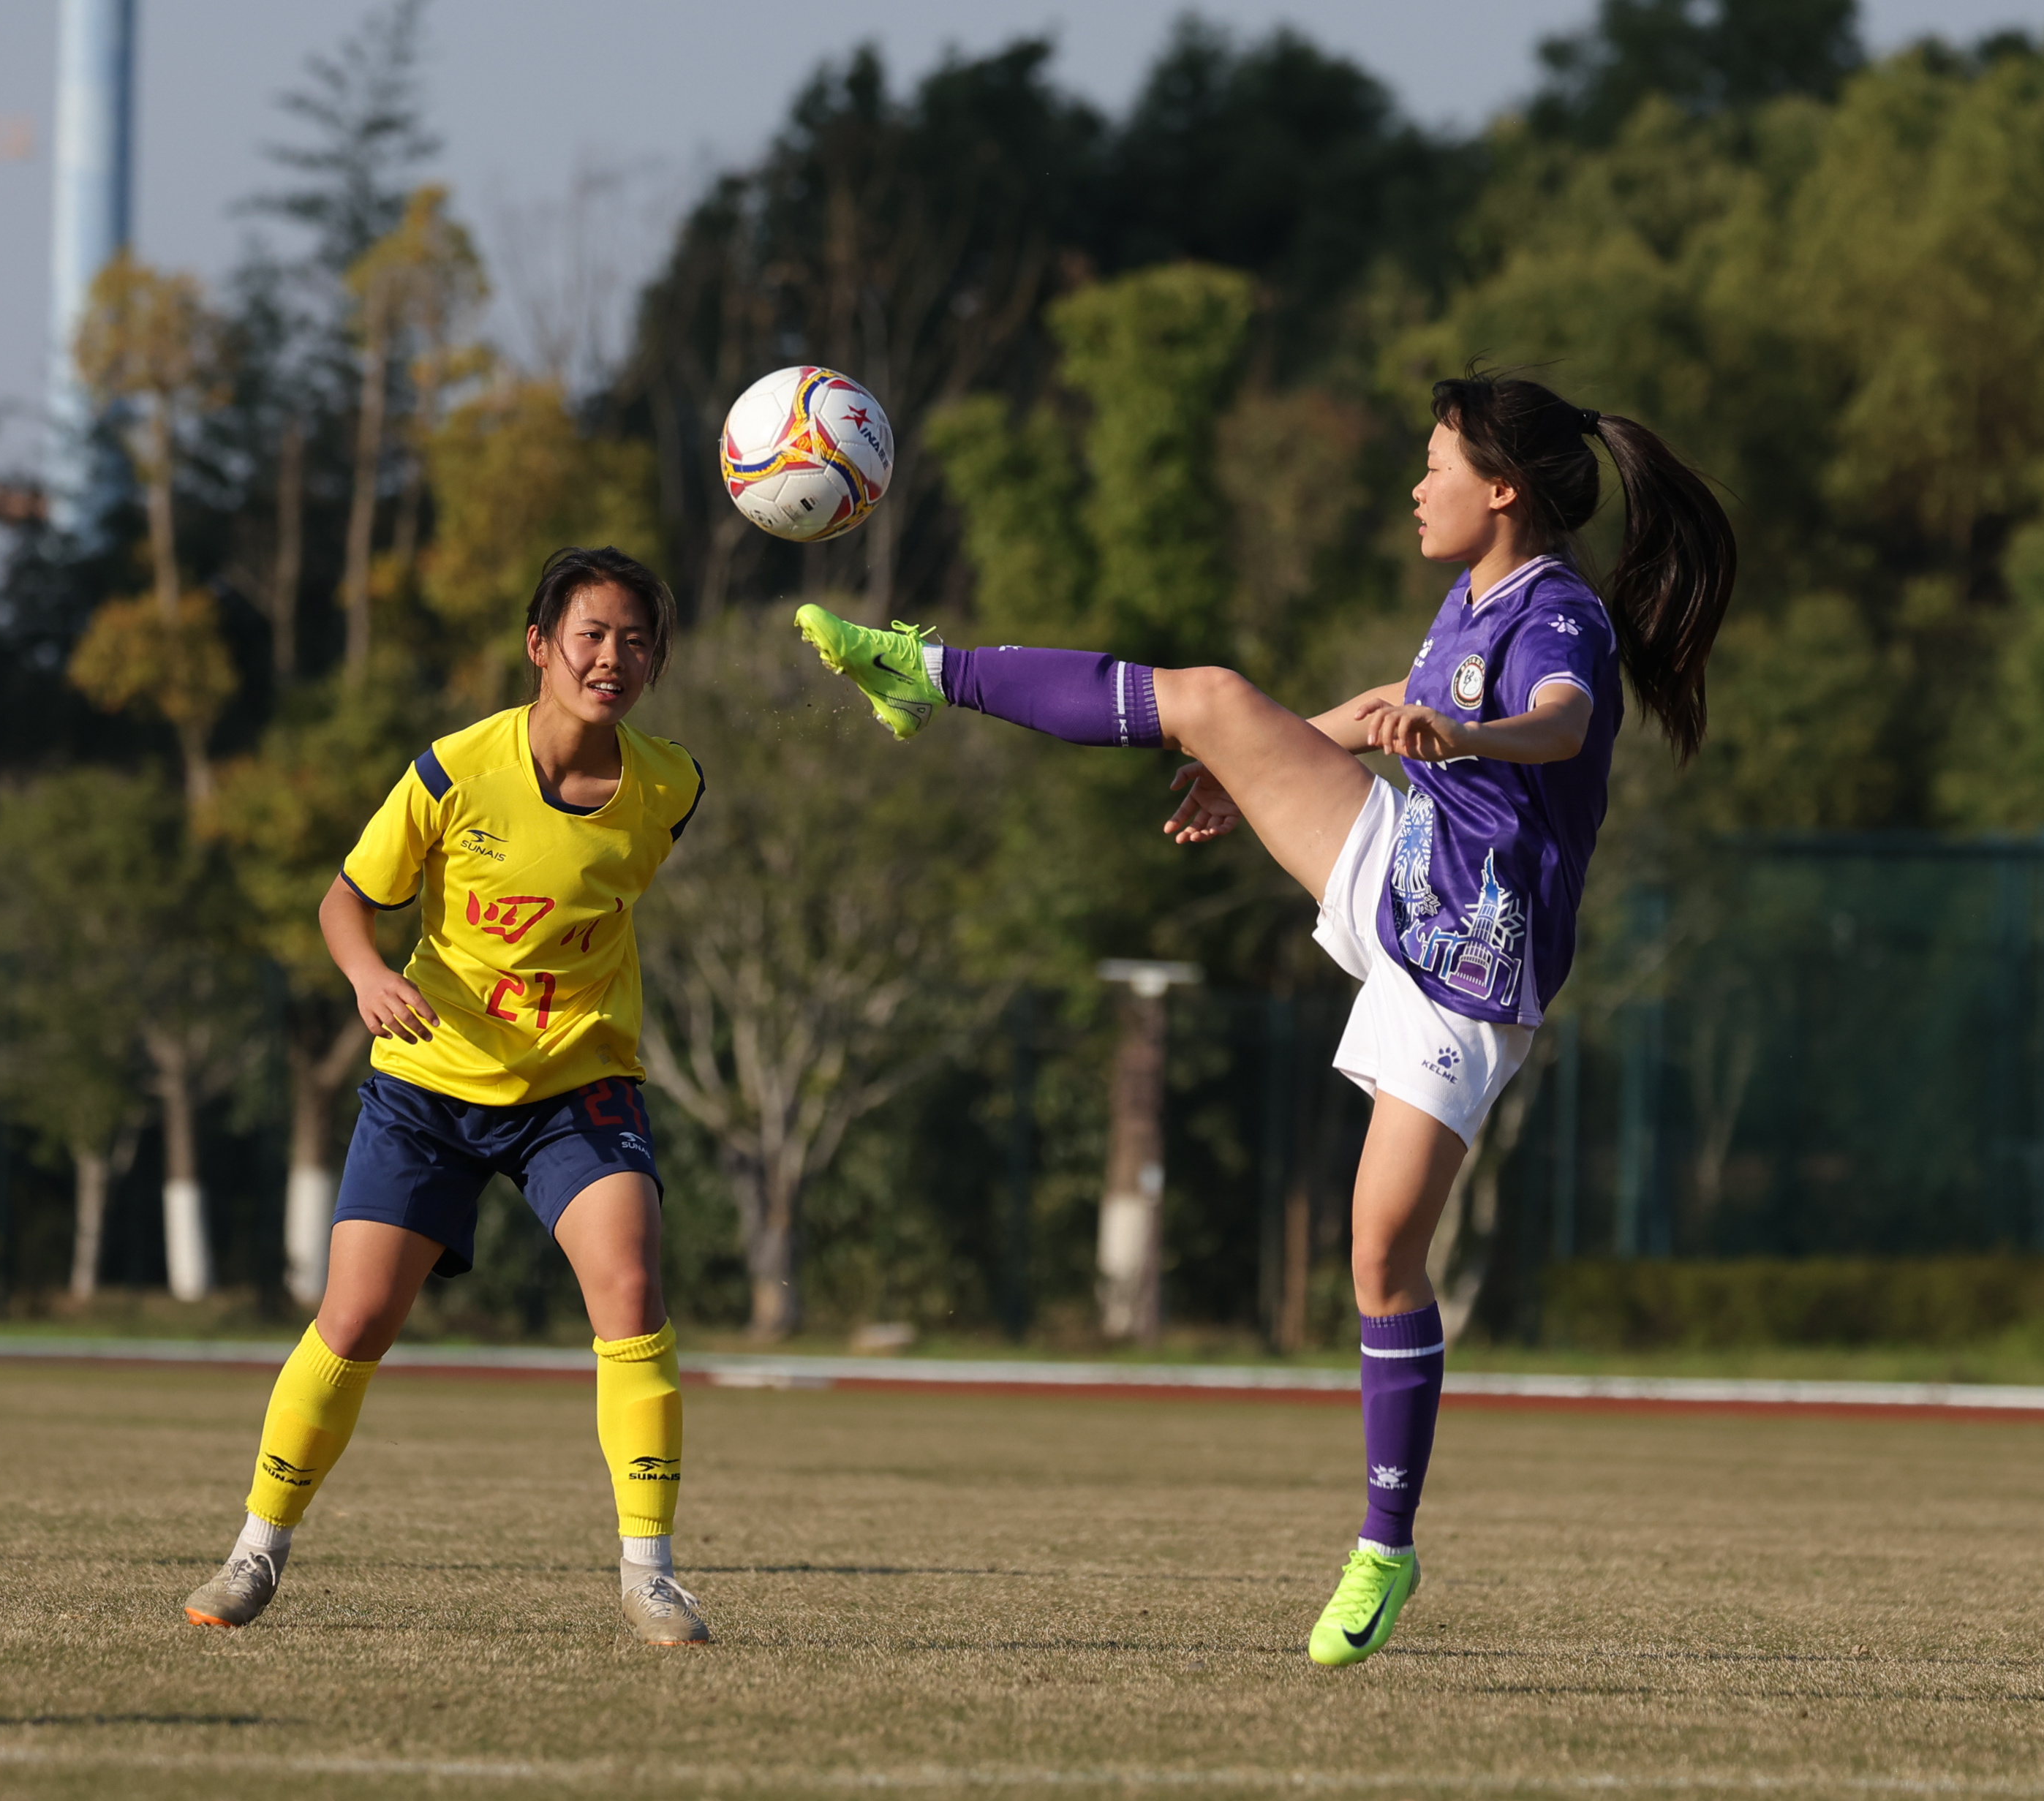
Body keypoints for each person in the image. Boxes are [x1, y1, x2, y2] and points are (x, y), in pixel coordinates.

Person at [795, 374, 1734, 1667]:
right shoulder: (1470, 594)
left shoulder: (1559, 611)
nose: (1417, 486)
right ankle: (922, 666)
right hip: (1396, 858)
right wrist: (1257, 768)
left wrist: (1461, 730)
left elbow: (1563, 727)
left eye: (1436, 465)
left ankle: (1386, 1550)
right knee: (1219, 700)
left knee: (1378, 1258)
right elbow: (1370, 716)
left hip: (1471, 956)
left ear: (1502, 489)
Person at [180, 545, 712, 1645]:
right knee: (357, 1316)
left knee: (630, 1283)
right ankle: (256, 1549)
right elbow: (346, 900)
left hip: (577, 1082)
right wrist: (372, 978)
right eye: (592, 634)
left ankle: (651, 1573)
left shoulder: (672, 786)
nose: (613, 656)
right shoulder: (452, 770)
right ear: (540, 646)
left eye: (636, 639)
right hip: (428, 1084)